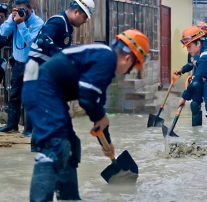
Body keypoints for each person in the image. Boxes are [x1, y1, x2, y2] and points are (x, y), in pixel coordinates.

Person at [22, 29, 150, 201]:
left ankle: (70, 198)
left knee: (71, 146)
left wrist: (107, 143)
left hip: (49, 93)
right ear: (128, 59)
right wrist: (100, 116)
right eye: (131, 70)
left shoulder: (103, 66)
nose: (127, 73)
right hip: (41, 89)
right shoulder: (107, 59)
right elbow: (87, 96)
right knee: (56, 145)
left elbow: (98, 113)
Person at [0, 0, 43, 134]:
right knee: (15, 95)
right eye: (17, 10)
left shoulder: (38, 23)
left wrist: (21, 24)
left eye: (22, 10)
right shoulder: (14, 18)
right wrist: (12, 20)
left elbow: (31, 43)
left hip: (33, 63)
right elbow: (3, 32)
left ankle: (30, 129)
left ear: (29, 9)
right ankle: (12, 125)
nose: (20, 13)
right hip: (18, 62)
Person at [175, 21, 207, 127]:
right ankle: (196, 132)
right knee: (194, 104)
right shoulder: (192, 47)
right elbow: (190, 63)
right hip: (196, 80)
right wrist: (182, 70)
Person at [28, 0, 95, 64]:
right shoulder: (58, 21)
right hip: (36, 68)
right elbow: (42, 40)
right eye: (85, 17)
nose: (85, 21)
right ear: (76, 12)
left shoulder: (67, 26)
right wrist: (64, 55)